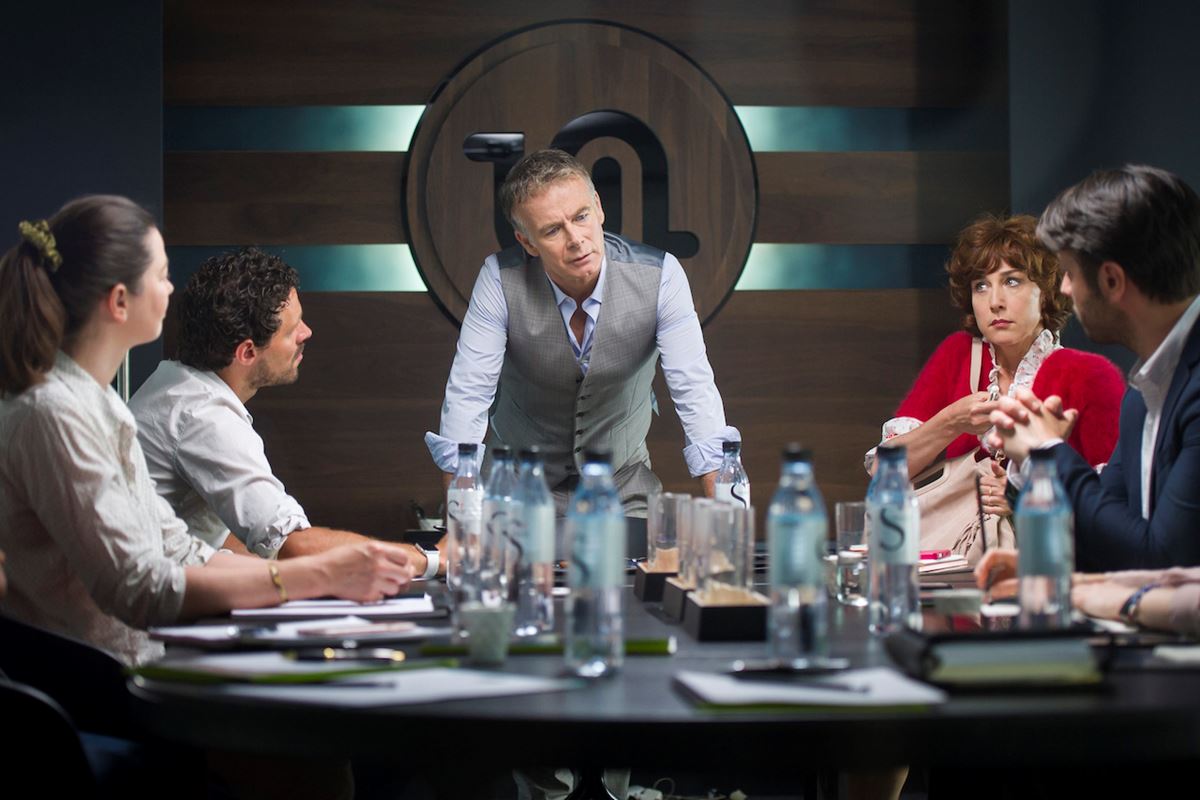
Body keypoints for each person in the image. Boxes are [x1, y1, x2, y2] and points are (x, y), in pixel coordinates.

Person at [0, 196, 414, 667]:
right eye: (161, 276)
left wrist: (322, 575)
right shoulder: (54, 413)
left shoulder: (98, 402)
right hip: (100, 685)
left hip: (132, 667)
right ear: (119, 302)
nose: (170, 289)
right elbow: (140, 589)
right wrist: (315, 576)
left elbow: (177, 550)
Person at [426, 148, 739, 514]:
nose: (575, 239)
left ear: (599, 208)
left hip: (622, 486)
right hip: (515, 486)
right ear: (527, 242)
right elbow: (468, 395)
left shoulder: (661, 277)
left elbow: (695, 392)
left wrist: (728, 521)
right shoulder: (499, 279)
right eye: (552, 230)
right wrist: (462, 521)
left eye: (581, 216)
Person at [129, 248, 442, 578]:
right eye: (292, 330)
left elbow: (225, 542)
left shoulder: (175, 384)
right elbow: (294, 545)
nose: (306, 332)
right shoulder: (203, 416)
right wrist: (433, 558)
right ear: (247, 352)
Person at [987, 165, 1200, 571]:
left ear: (1112, 281)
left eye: (1069, 273)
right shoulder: (1144, 393)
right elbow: (1110, 543)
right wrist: (1034, 465)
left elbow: (1166, 564)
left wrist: (1046, 453)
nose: (1064, 289)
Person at [868, 214, 1123, 546]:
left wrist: (1025, 500)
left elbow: (1116, 511)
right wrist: (951, 421)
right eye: (981, 285)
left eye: (1012, 281)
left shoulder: (1091, 375)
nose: (995, 302)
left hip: (1044, 563)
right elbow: (883, 474)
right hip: (950, 562)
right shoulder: (958, 354)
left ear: (1046, 291)